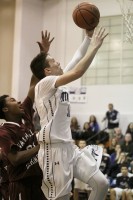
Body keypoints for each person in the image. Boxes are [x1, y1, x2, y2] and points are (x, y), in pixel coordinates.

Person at [30, 27, 109, 200]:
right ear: (47, 71)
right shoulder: (44, 84)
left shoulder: (56, 82)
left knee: (101, 183)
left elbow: (76, 58)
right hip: (53, 151)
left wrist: (88, 38)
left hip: (69, 148)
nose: (58, 62)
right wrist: (95, 47)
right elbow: (78, 71)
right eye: (54, 61)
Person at [0, 30, 53, 200]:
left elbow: (33, 84)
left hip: (38, 179)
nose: (17, 102)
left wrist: (43, 54)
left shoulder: (25, 113)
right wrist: (40, 146)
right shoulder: (4, 132)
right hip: (20, 184)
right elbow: (14, 159)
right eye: (12, 100)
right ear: (5, 110)